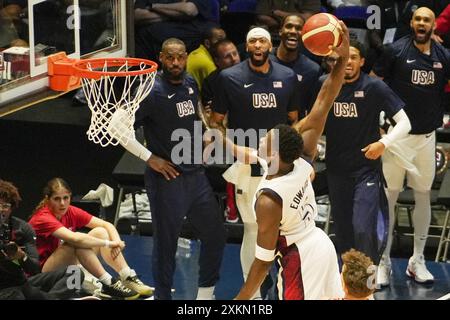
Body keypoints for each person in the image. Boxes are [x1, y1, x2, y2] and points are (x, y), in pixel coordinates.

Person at [225, 20, 350, 300]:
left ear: (276, 154)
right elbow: (325, 98)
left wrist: (241, 299)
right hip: (322, 245)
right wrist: (342, 56)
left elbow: (264, 260)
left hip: (300, 259)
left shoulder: (268, 198)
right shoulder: (303, 158)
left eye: (266, 142)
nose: (260, 141)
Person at [127, 38, 226, 300]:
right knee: (166, 245)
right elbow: (119, 127)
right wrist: (149, 158)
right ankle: (162, 297)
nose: (175, 63)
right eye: (170, 58)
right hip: (167, 179)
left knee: (215, 234)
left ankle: (205, 294)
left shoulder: (191, 82)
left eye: (180, 57)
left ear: (185, 58)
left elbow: (196, 113)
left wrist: (205, 134)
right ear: (161, 57)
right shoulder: (150, 89)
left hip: (196, 176)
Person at [210, 26, 300, 299]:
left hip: (281, 168)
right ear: (247, 47)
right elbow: (215, 124)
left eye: (262, 40)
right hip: (248, 167)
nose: (258, 45)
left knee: (282, 228)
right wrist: (236, 149)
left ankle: (282, 288)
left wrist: (290, 155)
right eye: (253, 41)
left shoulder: (287, 77)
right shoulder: (229, 78)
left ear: (270, 45)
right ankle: (255, 296)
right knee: (253, 228)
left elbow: (295, 121)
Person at [371, 7, 450, 285]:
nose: (421, 23)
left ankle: (418, 260)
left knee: (423, 195)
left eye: (426, 20)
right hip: (397, 138)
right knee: (389, 197)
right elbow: (373, 82)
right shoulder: (395, 51)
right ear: (412, 22)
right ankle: (383, 260)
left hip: (426, 138)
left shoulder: (444, 57)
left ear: (432, 26)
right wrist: (377, 117)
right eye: (417, 19)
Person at [320, 40, 411, 264]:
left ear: (361, 61)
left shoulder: (374, 87)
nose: (348, 61)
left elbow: (405, 123)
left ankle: (367, 286)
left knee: (363, 229)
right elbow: (312, 120)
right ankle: (347, 286)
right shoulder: (325, 84)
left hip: (365, 171)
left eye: (353, 57)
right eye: (344, 57)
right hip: (336, 170)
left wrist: (384, 142)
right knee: (343, 233)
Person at [29, 178, 152, 300]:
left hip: (65, 267)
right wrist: (108, 243)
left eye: (65, 198)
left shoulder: (70, 211)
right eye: (57, 199)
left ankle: (126, 276)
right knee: (76, 243)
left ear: (70, 197)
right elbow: (75, 239)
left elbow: (106, 225)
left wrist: (117, 243)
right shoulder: (43, 217)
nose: (62, 203)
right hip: (41, 275)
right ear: (48, 199)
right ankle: (108, 283)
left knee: (100, 232)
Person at [0, 179, 83, 300]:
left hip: (23, 283)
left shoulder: (23, 228)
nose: (0, 209)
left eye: (5, 206)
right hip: (4, 290)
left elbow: (34, 269)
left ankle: (54, 297)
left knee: (75, 274)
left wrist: (21, 256)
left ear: (12, 207)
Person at [201, 38, 241, 223]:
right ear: (217, 61)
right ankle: (226, 208)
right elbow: (209, 116)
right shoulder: (212, 81)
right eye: (227, 56)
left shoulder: (249, 73)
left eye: (235, 53)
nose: (234, 59)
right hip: (223, 133)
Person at [270, 14, 321, 118]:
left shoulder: (312, 70)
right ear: (280, 31)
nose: (293, 31)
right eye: (289, 26)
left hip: (296, 129)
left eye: (299, 28)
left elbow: (312, 111)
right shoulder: (265, 62)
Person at [134, 0, 217, 62]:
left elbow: (189, 10)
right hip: (149, 52)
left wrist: (153, 6)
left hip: (186, 52)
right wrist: (176, 15)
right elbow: (136, 16)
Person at [255, 0, 320, 34]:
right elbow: (261, 16)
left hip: (301, 36)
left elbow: (309, 18)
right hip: (271, 33)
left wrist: (280, 14)